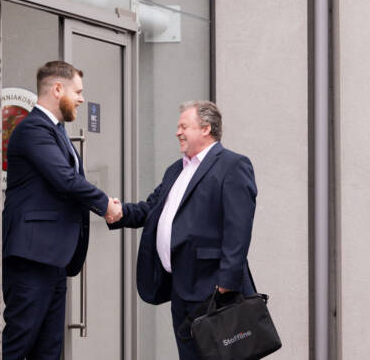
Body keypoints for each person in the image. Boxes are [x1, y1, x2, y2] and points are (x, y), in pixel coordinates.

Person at [107, 100, 257, 360]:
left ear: (206, 128)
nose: (178, 132)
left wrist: (226, 286)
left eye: (183, 126)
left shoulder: (232, 165)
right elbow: (151, 209)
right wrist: (118, 213)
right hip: (181, 287)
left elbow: (239, 229)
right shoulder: (176, 170)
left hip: (213, 290)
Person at [1, 60, 122, 360]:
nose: (82, 98)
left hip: (54, 258)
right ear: (57, 89)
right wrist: (106, 204)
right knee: (20, 344)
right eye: (77, 91)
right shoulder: (31, 129)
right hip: (31, 257)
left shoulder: (57, 131)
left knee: (49, 350)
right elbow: (66, 180)